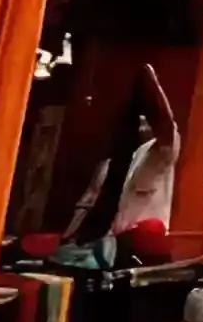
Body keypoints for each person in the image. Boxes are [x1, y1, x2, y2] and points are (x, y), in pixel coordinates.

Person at [67, 64, 179, 260]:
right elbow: (84, 212)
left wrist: (143, 77)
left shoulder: (161, 153)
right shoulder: (109, 165)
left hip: (143, 255)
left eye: (145, 115)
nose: (142, 120)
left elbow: (163, 122)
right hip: (105, 252)